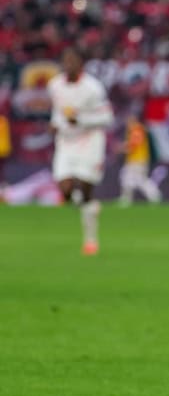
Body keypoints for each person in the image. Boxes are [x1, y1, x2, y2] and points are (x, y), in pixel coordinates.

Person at [48, 47, 113, 255]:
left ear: (80, 64)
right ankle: (88, 205)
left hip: (90, 141)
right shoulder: (55, 85)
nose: (68, 65)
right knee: (65, 189)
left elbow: (107, 118)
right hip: (66, 142)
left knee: (85, 187)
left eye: (72, 61)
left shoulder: (93, 88)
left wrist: (81, 120)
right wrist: (55, 123)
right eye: (65, 61)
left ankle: (91, 240)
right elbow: (58, 112)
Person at [118, 114, 162, 206]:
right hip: (135, 160)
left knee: (139, 180)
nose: (127, 124)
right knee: (127, 178)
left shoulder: (136, 129)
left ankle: (154, 195)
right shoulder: (135, 129)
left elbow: (134, 144)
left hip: (138, 160)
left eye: (128, 122)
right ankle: (126, 199)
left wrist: (123, 148)